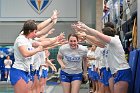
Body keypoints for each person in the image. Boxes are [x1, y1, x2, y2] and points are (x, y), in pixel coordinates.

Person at [72, 22, 132, 93]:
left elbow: (97, 35)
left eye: (102, 35)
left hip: (122, 72)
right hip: (115, 72)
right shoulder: (107, 44)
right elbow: (96, 41)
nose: (100, 38)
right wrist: (85, 36)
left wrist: (85, 27)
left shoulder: (114, 41)